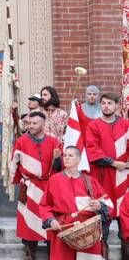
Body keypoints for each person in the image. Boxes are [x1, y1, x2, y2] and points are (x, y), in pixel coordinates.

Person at [41, 146, 112, 259]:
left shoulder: (90, 180)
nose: (66, 158)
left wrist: (100, 206)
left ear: (79, 159)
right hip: (63, 228)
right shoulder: (54, 180)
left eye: (71, 155)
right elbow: (45, 205)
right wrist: (51, 220)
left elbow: (108, 205)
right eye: (65, 155)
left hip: (88, 231)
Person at [10, 111, 62, 259]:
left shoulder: (54, 142)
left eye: (35, 123)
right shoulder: (21, 141)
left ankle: (51, 253)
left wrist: (58, 158)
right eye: (29, 123)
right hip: (30, 186)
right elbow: (14, 163)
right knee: (28, 220)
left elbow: (59, 167)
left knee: (50, 219)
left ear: (43, 124)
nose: (31, 126)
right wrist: (17, 183)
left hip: (49, 186)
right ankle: (29, 253)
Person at [86, 92, 129, 257]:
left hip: (124, 179)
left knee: (127, 223)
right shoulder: (94, 125)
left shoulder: (126, 124)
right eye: (103, 103)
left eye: (110, 103)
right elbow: (92, 151)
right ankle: (102, 255)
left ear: (117, 106)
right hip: (102, 180)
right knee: (102, 223)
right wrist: (113, 163)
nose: (106, 106)